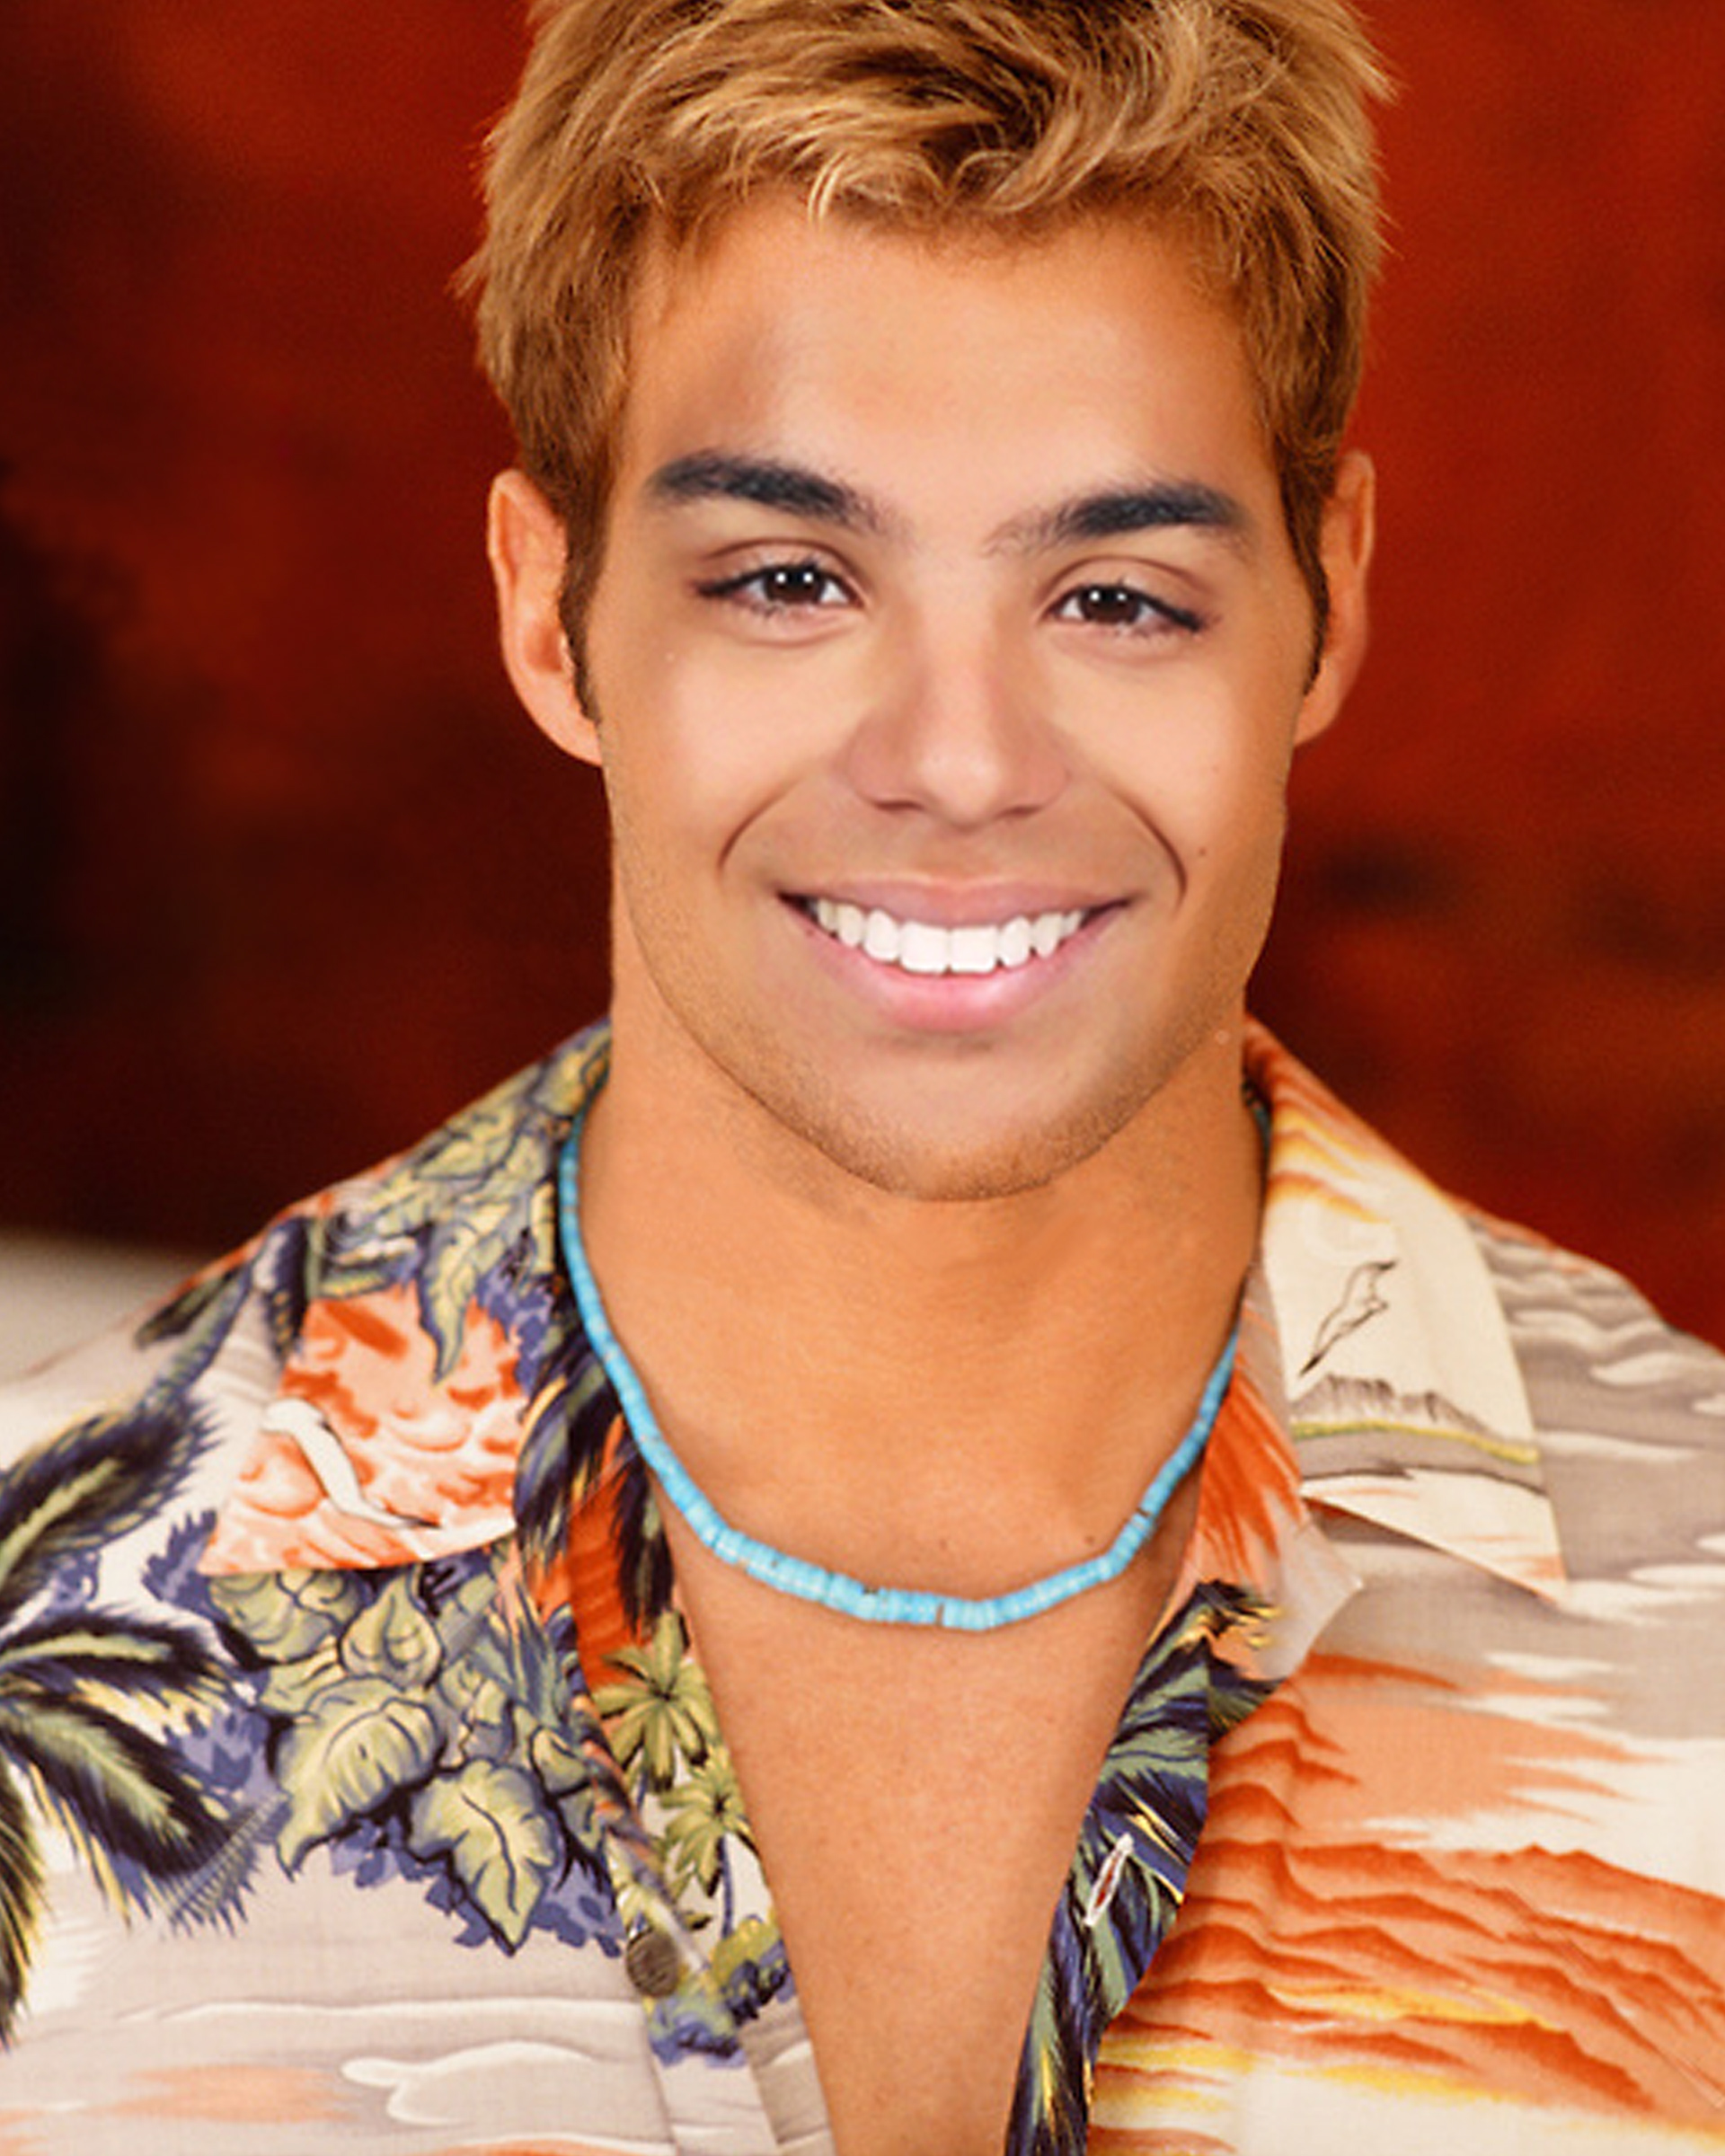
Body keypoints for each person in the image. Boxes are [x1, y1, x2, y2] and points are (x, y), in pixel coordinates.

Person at [1, 0, 1721, 2149]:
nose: (962, 763)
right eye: (791, 581)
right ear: (550, 615)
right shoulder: (41, 1628)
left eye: (1118, 597)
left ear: (1329, 603)